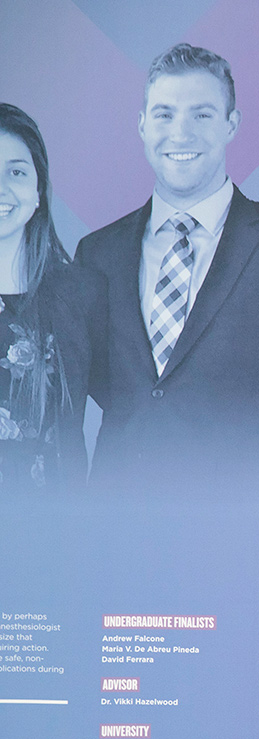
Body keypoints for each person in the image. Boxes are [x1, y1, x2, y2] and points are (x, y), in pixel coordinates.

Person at [74, 43, 259, 489]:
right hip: (116, 513)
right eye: (164, 115)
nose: (180, 134)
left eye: (201, 115)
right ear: (142, 126)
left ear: (231, 125)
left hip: (235, 517)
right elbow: (99, 384)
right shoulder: (96, 253)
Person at [0, 104, 98, 491]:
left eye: (17, 171)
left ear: (38, 191)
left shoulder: (83, 294)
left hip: (54, 535)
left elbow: (129, 404)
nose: (2, 186)